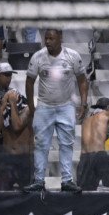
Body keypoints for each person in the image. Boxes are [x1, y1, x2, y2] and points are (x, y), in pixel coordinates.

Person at [25, 29, 89, 194]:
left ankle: (67, 180)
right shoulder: (38, 57)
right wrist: (32, 106)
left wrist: (83, 103)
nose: (47, 41)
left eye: (51, 38)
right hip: (44, 106)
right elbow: (29, 81)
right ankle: (39, 180)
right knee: (41, 145)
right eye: (46, 38)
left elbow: (82, 80)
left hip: (66, 106)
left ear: (60, 38)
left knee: (67, 144)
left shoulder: (72, 56)